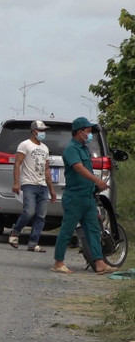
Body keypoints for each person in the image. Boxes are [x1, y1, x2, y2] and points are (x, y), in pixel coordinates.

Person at [51, 117, 114, 275]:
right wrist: (97, 180)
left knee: (93, 230)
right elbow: (78, 168)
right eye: (88, 131)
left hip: (87, 197)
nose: (90, 134)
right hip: (75, 197)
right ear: (80, 132)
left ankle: (99, 263)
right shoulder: (71, 149)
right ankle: (58, 262)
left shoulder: (84, 149)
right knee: (67, 230)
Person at [8, 120, 57, 252]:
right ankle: (16, 231)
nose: (43, 133)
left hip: (42, 185)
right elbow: (17, 164)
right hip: (28, 183)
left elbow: (47, 170)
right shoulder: (25, 145)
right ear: (34, 131)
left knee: (41, 216)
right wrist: (16, 182)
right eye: (41, 130)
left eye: (44, 131)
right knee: (29, 212)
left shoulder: (45, 148)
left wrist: (52, 189)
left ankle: (33, 242)